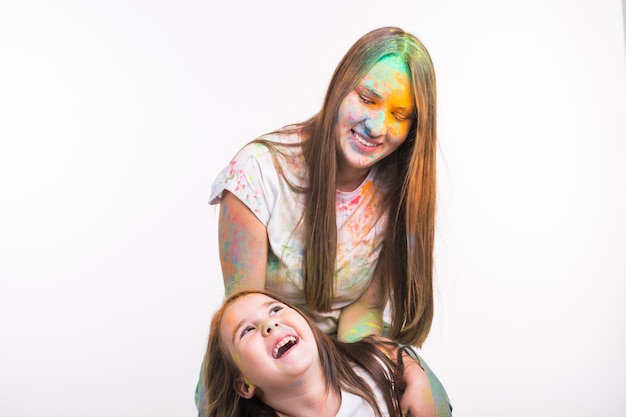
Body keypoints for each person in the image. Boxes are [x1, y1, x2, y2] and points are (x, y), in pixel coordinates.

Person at [201, 26, 451, 416]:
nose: (376, 127)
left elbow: (361, 314)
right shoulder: (256, 172)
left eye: (400, 115)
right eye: (367, 99)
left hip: (341, 352)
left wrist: (409, 372)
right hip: (264, 363)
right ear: (341, 86)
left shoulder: (397, 188)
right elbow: (243, 318)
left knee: (432, 400)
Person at [203, 290, 417, 417]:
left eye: (275, 310)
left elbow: (389, 351)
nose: (270, 323)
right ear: (245, 385)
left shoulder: (369, 371)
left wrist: (417, 382)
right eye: (247, 330)